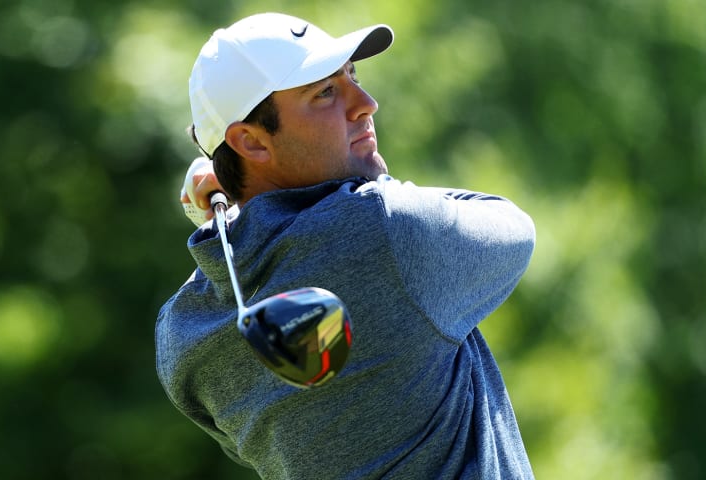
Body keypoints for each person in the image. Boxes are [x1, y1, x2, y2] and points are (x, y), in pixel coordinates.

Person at [155, 12, 536, 480]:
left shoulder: (183, 336)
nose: (366, 103)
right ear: (251, 141)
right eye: (325, 93)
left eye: (351, 77)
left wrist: (222, 205)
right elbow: (513, 229)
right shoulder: (384, 231)